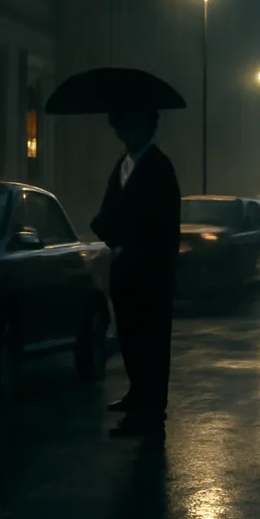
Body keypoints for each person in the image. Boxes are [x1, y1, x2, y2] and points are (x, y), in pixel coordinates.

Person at [90, 107, 181, 437]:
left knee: (151, 340)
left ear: (147, 127)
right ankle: (137, 394)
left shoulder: (158, 167)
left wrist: (127, 236)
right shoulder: (124, 165)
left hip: (150, 270)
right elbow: (110, 209)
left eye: (130, 125)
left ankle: (151, 408)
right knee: (130, 334)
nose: (122, 132)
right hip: (125, 265)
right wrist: (111, 235)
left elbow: (162, 222)